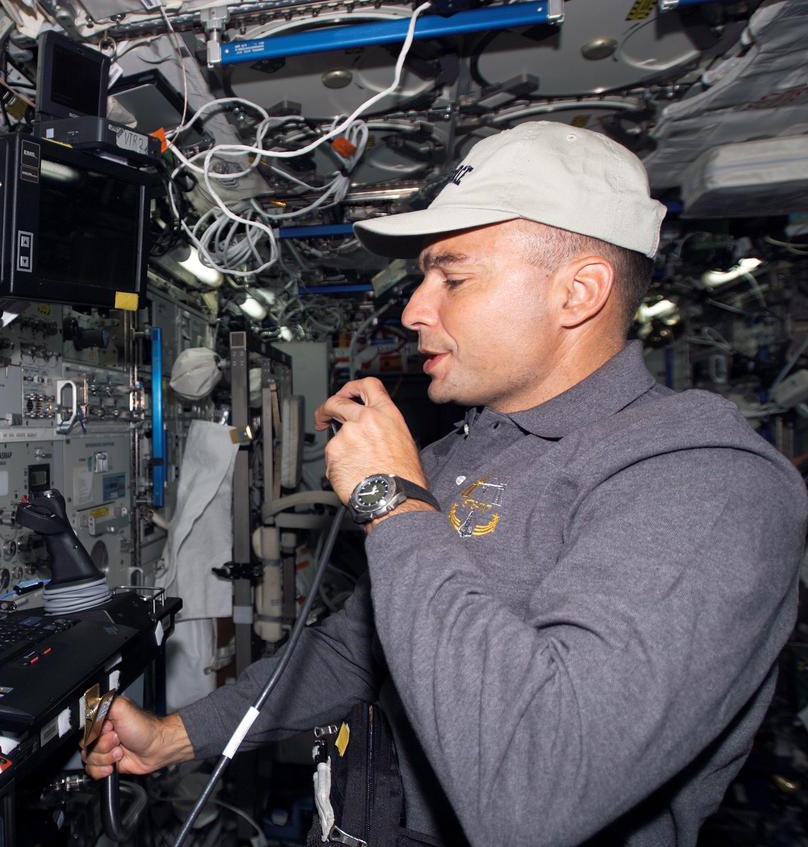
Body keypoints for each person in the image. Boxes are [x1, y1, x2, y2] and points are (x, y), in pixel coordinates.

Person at [83, 121, 808, 845]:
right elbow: (358, 648)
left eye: (453, 277)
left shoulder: (703, 481)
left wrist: (393, 500)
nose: (413, 310)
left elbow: (540, 786)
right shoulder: (470, 448)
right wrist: (176, 735)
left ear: (578, 292)